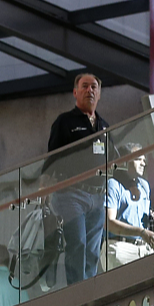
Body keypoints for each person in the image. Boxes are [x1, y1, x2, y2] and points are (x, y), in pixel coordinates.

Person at [45, 71, 111, 288]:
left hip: (97, 196)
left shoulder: (104, 126)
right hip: (71, 193)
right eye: (84, 86)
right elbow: (52, 156)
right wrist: (44, 184)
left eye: (94, 87)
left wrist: (129, 182)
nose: (89, 90)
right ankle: (76, 291)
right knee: (78, 243)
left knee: (93, 249)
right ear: (75, 92)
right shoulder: (65, 121)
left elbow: (115, 158)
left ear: (99, 94)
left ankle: (88, 290)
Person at [103, 143, 154, 269]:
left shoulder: (144, 186)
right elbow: (109, 222)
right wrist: (141, 231)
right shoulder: (113, 185)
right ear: (124, 162)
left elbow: (141, 223)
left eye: (144, 160)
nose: (143, 163)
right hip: (120, 247)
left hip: (143, 248)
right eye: (138, 159)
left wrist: (152, 219)